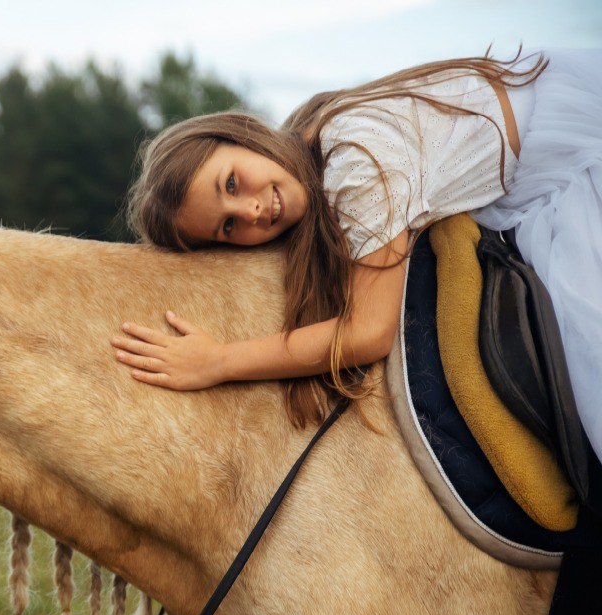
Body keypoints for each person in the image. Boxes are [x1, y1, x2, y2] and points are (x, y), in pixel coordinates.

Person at [115, 48, 602, 459]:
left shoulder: (353, 163)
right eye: (227, 227)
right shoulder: (311, 143)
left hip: (563, 163)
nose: (254, 209)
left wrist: (219, 361)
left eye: (232, 183)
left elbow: (369, 332)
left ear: (243, 136)